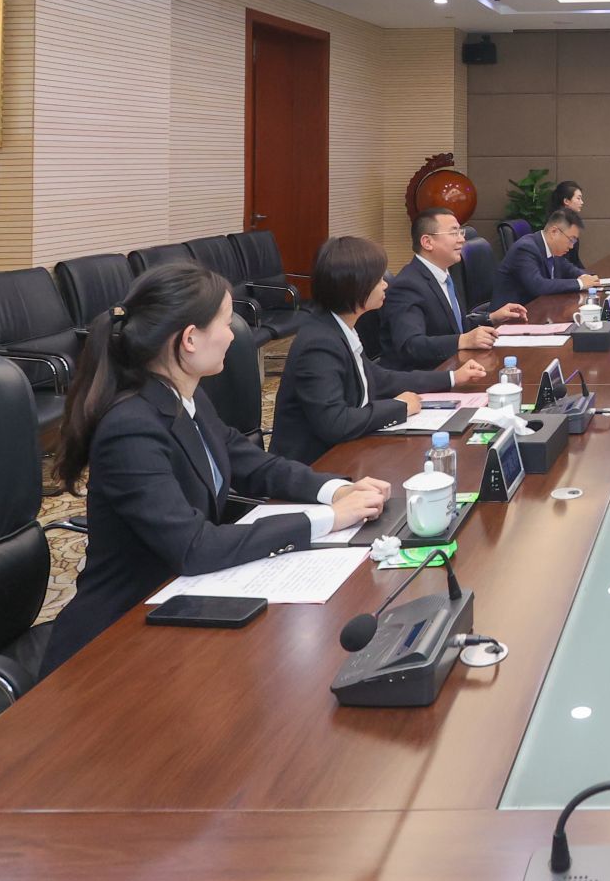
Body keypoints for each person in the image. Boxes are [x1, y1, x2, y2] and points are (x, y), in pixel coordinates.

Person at [41, 262, 390, 674]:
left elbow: (251, 463)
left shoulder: (183, 396)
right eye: (226, 323)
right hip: (117, 638)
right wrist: (328, 518)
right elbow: (194, 547)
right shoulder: (130, 428)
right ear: (190, 338)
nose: (233, 334)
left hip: (180, 603)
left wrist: (335, 490)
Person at [271, 236, 488, 464]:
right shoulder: (319, 344)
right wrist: (399, 407)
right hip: (316, 464)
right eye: (378, 280)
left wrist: (452, 377)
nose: (385, 285)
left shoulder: (339, 327)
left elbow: (380, 378)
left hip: (349, 450)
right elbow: (335, 422)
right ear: (356, 286)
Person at [365, 208, 527, 370]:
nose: (462, 239)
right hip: (422, 376)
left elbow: (451, 326)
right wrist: (463, 340)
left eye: (461, 232)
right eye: (454, 233)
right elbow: (411, 345)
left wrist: (492, 318)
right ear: (427, 242)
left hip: (452, 366)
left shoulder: (443, 274)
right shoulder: (408, 286)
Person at [493, 206, 600, 307]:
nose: (572, 246)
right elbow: (538, 286)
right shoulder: (525, 248)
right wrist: (580, 283)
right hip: (511, 315)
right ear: (554, 232)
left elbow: (568, 268)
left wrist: (587, 277)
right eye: (571, 240)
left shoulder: (552, 249)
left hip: (538, 309)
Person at [549, 180, 585, 272]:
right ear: (566, 201)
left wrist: (587, 275)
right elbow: (561, 262)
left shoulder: (571, 222)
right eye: (578, 198)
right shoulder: (557, 224)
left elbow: (575, 259)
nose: (582, 202)